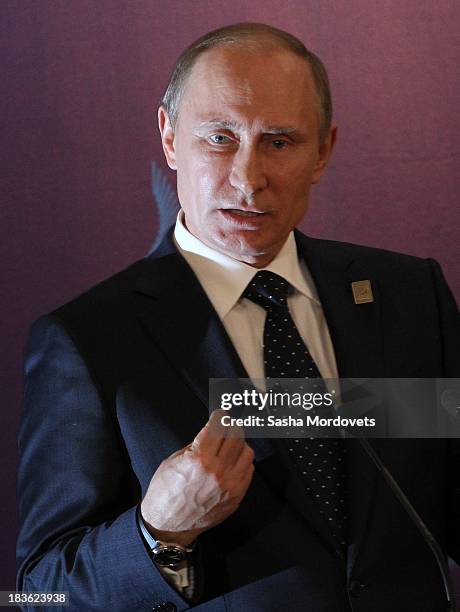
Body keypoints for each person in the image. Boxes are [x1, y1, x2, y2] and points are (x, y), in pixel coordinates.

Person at [17, 22, 460, 612]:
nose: (249, 180)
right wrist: (159, 534)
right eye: (220, 138)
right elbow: (39, 592)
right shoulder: (88, 341)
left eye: (279, 142)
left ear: (323, 150)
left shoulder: (408, 294)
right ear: (171, 140)